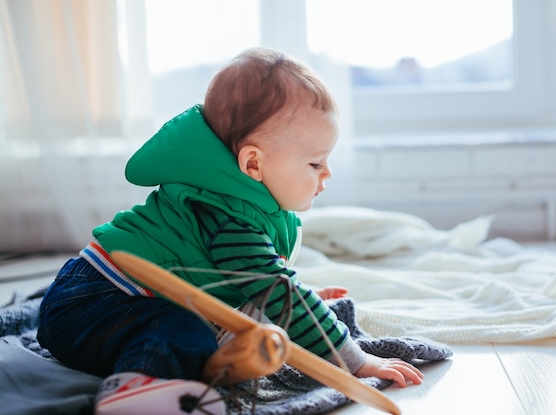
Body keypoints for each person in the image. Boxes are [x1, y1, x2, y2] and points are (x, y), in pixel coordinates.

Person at [37, 48, 424, 415]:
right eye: (315, 163)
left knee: (201, 325)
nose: (327, 174)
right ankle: (137, 390)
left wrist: (283, 299)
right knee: (186, 334)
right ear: (253, 164)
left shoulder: (240, 200)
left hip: (107, 302)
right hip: (95, 303)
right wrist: (354, 359)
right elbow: (277, 290)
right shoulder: (228, 216)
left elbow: (253, 282)